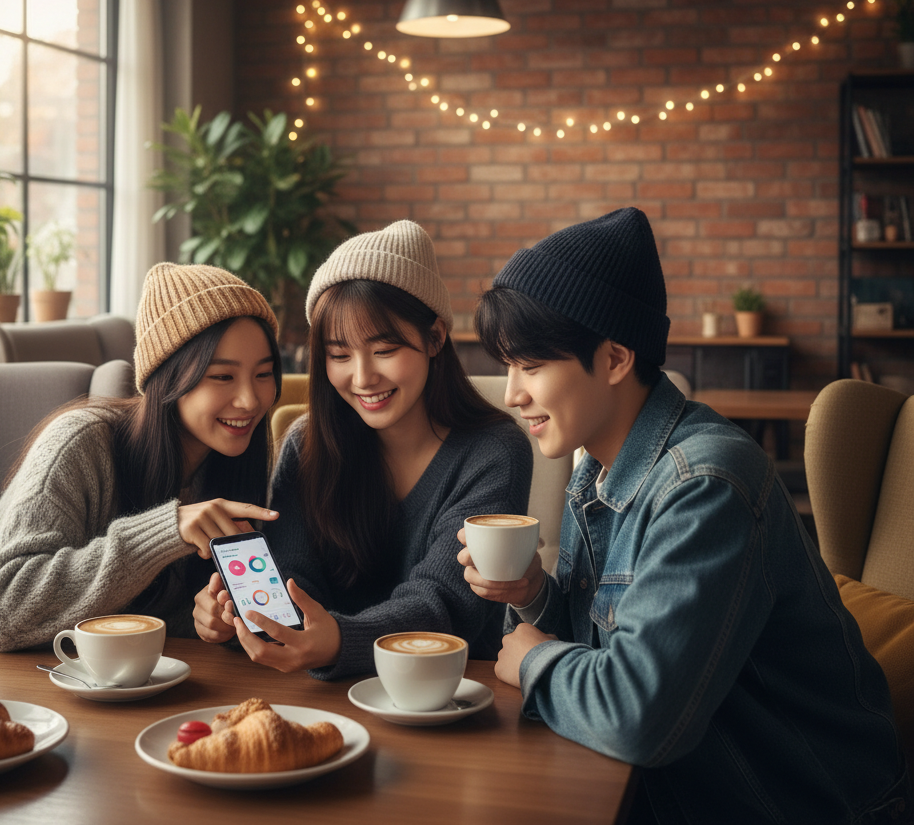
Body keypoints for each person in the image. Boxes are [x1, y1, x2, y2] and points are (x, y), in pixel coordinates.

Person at [458, 208, 911, 825]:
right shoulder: (595, 469)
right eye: (507, 366)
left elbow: (639, 716)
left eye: (531, 366)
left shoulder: (706, 484)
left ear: (615, 358)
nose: (512, 394)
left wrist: (534, 662)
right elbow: (609, 644)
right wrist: (535, 595)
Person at [0, 263, 283, 671]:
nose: (250, 401)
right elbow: (5, 612)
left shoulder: (234, 461)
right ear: (168, 378)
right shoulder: (80, 441)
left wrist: (206, 621)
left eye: (264, 374)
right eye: (222, 376)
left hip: (79, 670)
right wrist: (165, 531)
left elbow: (136, 615)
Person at [194, 220, 533, 679]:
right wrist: (245, 616)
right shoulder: (307, 444)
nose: (362, 377)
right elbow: (293, 579)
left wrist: (336, 640)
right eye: (339, 355)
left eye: (384, 348)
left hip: (447, 694)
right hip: (321, 692)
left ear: (434, 338)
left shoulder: (495, 451)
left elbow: (445, 604)